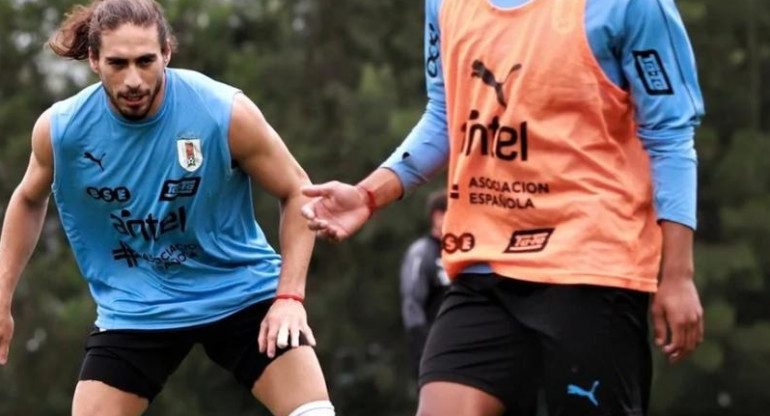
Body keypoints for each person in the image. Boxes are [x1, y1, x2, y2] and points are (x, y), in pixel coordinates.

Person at [301, 0, 705, 415]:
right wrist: (369, 195)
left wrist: (677, 274)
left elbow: (671, 136)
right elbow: (445, 116)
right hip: (484, 267)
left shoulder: (629, 6)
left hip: (590, 269)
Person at [0, 1, 334, 415]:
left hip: (240, 292)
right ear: (92, 59)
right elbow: (29, 198)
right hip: (137, 308)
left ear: (167, 53)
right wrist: (2, 293)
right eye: (117, 64)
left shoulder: (221, 112)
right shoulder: (63, 129)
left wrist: (289, 298)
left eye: (145, 61)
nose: (134, 80)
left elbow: (299, 190)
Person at [399, 190, 450, 378]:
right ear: (438, 217)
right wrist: (425, 350)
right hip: (435, 349)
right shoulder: (421, 253)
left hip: (463, 346)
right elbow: (412, 303)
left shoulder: (463, 253)